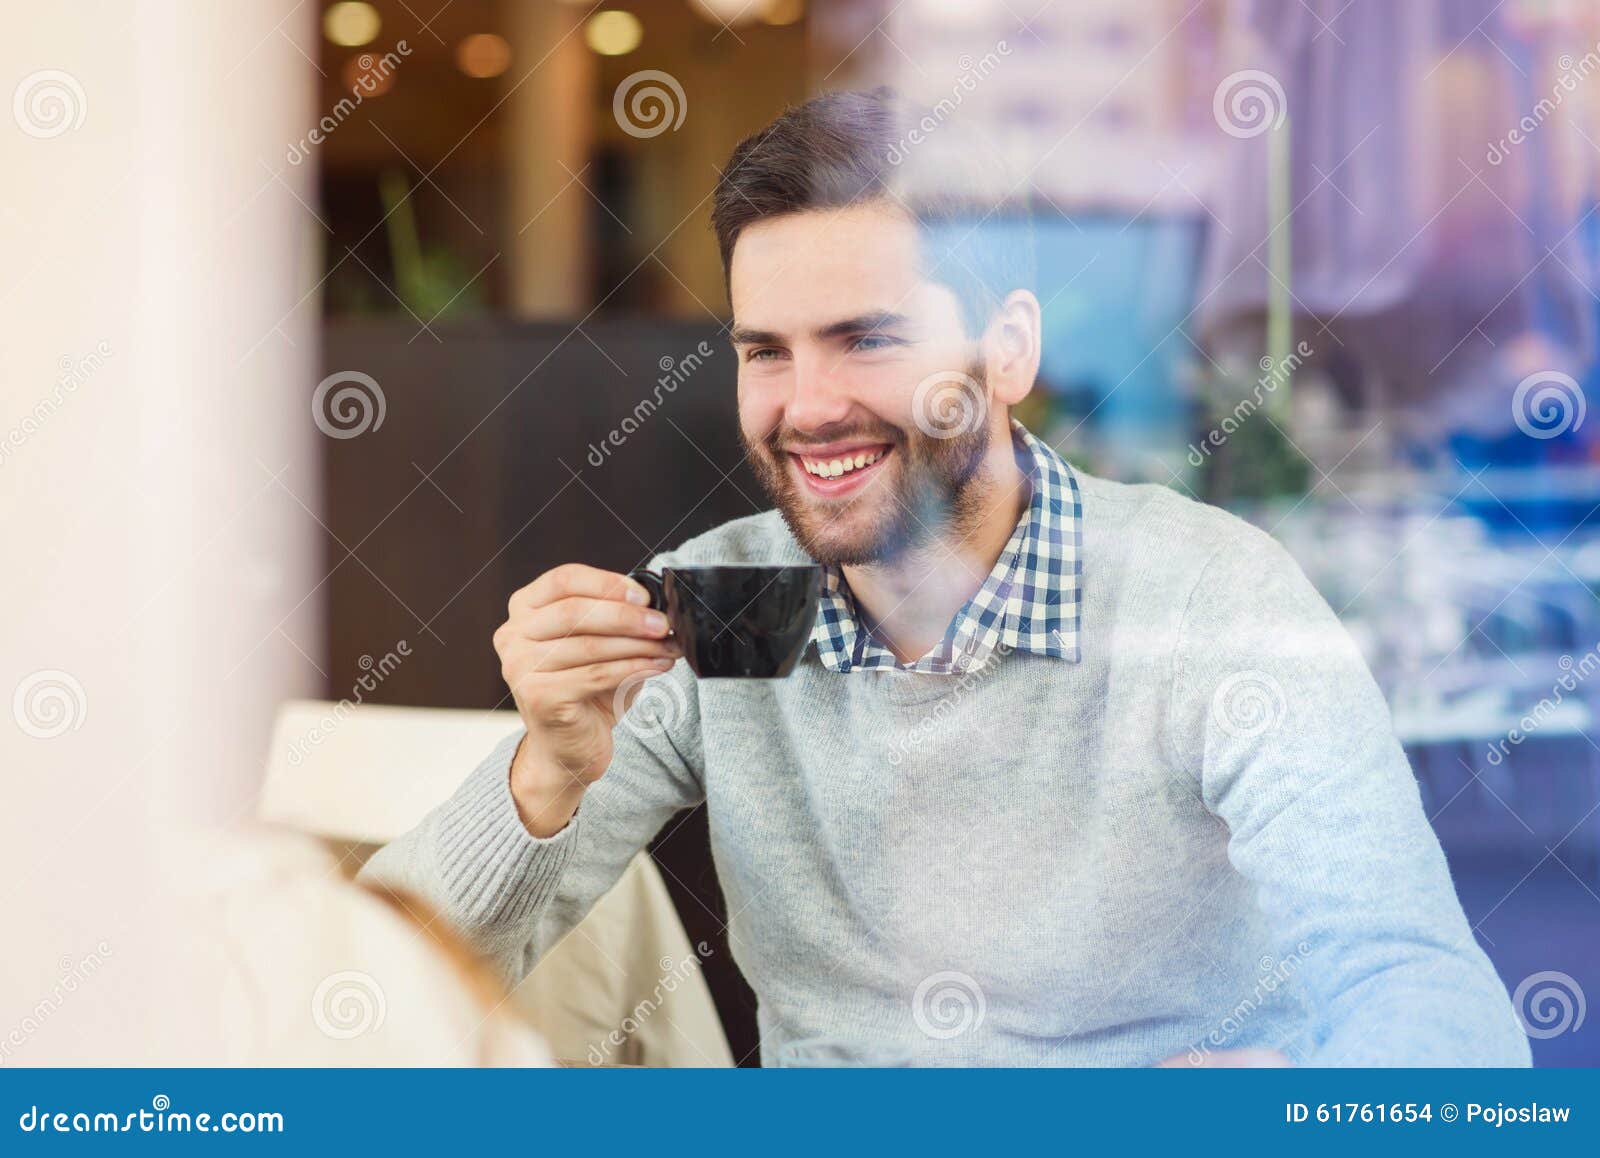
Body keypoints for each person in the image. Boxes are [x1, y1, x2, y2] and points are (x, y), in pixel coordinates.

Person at [363, 88, 1529, 1067]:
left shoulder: (1205, 601)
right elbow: (369, 991)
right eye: (766, 351)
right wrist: (546, 773)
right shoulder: (726, 607)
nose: (808, 407)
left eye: (867, 338)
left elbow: (1412, 987)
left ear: (1008, 349)